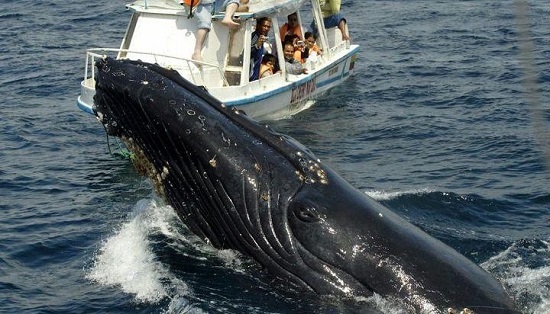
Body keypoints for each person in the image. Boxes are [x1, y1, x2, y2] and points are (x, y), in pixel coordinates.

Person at [250, 17, 272, 81]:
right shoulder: (255, 37)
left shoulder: (261, 37)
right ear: (259, 26)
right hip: (251, 76)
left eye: (268, 27)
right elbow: (247, 54)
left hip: (256, 75)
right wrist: (257, 45)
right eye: (264, 26)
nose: (266, 29)